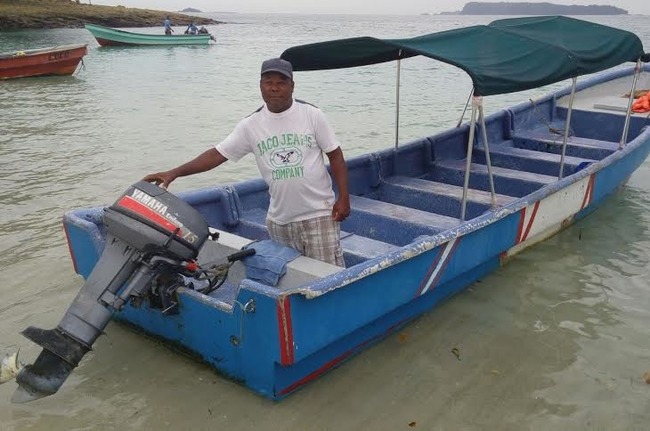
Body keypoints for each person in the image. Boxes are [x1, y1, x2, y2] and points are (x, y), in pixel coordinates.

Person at [143, 58, 350, 267]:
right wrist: (174, 173)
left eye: (281, 82)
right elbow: (217, 155)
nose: (274, 88)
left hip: (318, 214)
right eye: (268, 82)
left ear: (292, 86)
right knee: (291, 278)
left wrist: (343, 198)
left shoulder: (312, 115)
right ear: (260, 86)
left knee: (330, 273)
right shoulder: (251, 125)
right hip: (280, 221)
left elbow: (335, 155)